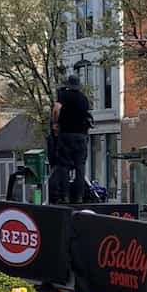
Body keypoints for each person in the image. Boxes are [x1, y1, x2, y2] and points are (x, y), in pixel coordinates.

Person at [50, 73, 91, 204]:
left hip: (67, 135)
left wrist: (55, 123)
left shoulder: (64, 96)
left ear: (68, 85)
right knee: (80, 167)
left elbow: (56, 109)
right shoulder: (84, 99)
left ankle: (66, 196)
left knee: (64, 166)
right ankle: (79, 197)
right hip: (82, 136)